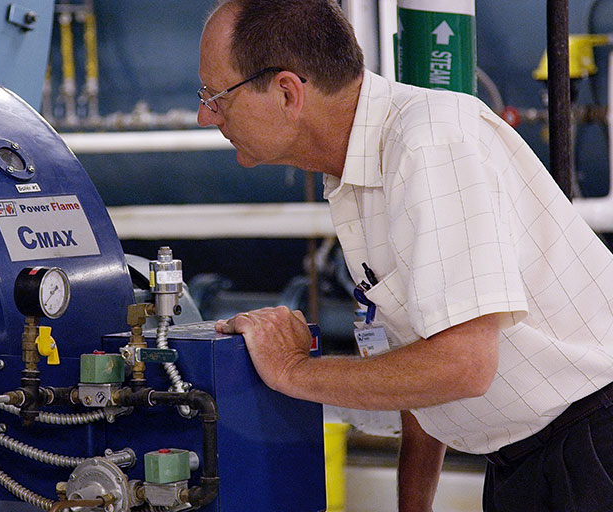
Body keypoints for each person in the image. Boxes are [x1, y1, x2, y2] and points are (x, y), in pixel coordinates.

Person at [197, 1, 613, 511]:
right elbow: (423, 361)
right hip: (523, 463)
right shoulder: (357, 175)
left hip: (593, 447)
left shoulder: (428, 143)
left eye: (216, 97)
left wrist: (292, 371)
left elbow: (462, 365)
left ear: (287, 92)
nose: (205, 115)